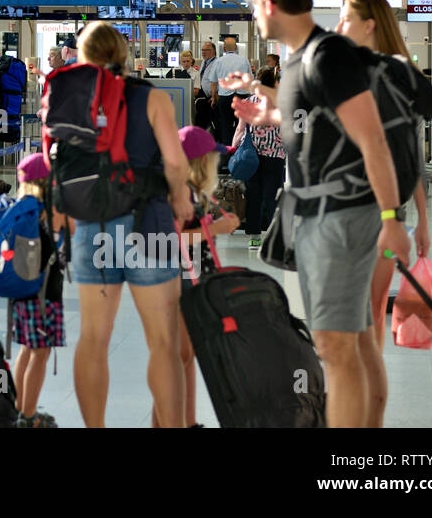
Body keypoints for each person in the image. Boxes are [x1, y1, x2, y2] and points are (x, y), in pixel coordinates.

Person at [227, 0, 410, 429]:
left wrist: (392, 218)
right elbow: (311, 129)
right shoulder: (295, 62)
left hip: (343, 215)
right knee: (345, 342)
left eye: (253, 4)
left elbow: (371, 138)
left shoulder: (327, 56)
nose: (253, 14)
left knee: (336, 346)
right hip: (313, 214)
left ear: (269, 4)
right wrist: (262, 118)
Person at [68, 22, 192, 428]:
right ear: (123, 52)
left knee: (93, 339)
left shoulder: (71, 97)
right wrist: (179, 199)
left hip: (93, 224)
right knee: (163, 342)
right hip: (149, 224)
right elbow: (174, 162)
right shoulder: (151, 97)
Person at [337, 0, 432, 413]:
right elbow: (413, 155)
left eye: (346, 20)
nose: (340, 29)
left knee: (365, 317)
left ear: (370, 24)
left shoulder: (388, 76)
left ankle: (360, 413)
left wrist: (421, 221)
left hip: (374, 210)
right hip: (383, 210)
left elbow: (407, 155)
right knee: (367, 315)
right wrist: (421, 220)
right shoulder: (398, 73)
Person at [166, 125, 240, 428]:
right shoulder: (180, 192)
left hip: (194, 279)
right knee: (181, 355)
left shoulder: (195, 193)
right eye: (213, 158)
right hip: (182, 280)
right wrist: (215, 229)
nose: (217, 164)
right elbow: (172, 239)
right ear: (201, 161)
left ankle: (188, 420)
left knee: (187, 356)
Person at [9, 152, 68, 428]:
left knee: (28, 349)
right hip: (46, 295)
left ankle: (21, 408)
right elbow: (74, 231)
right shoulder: (50, 212)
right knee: (40, 352)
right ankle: (29, 416)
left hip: (21, 293)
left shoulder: (19, 210)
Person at [230, 67, 287, 247]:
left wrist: (233, 148)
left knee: (254, 196)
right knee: (273, 197)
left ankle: (254, 236)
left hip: (252, 156)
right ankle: (272, 236)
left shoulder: (249, 102)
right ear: (275, 82)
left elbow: (240, 129)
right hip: (276, 156)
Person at [206, 36, 251, 146]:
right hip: (241, 96)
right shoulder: (244, 60)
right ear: (236, 48)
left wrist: (213, 97)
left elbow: (213, 82)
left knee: (225, 125)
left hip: (225, 98)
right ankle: (240, 151)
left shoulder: (219, 61)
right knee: (241, 126)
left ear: (224, 49)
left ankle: (227, 152)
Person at [196, 40, 220, 136]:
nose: (203, 52)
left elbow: (219, 80)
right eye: (202, 50)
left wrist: (215, 95)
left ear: (213, 51)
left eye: (206, 50)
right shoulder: (204, 63)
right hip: (205, 95)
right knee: (202, 120)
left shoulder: (217, 63)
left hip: (213, 97)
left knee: (213, 122)